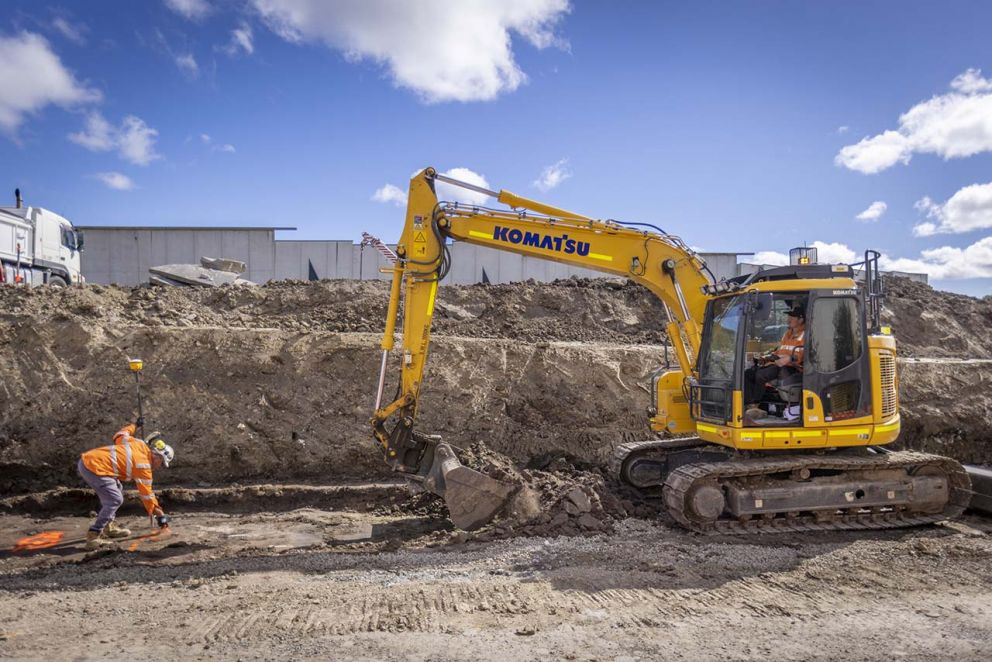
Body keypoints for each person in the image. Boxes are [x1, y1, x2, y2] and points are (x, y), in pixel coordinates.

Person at [77, 422, 174, 549]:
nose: (159, 467)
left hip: (89, 461)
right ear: (157, 457)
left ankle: (108, 527)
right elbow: (147, 495)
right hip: (94, 468)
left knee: (117, 488)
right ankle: (94, 535)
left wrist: (135, 425)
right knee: (114, 499)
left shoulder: (138, 443)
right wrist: (161, 516)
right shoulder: (143, 466)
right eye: (161, 463)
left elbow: (120, 435)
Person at [743, 304, 806, 411]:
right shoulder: (787, 334)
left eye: (792, 316)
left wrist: (790, 359)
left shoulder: (805, 335)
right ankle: (748, 403)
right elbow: (779, 350)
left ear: (801, 320)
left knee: (760, 375)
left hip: (793, 368)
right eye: (788, 316)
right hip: (778, 364)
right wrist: (765, 357)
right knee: (748, 373)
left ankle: (755, 404)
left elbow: (804, 354)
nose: (788, 319)